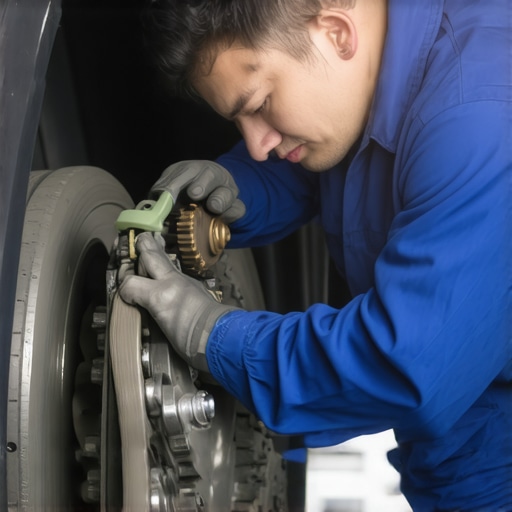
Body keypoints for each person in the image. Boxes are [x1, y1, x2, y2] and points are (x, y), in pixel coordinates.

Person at [120, 0, 512, 509]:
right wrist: (240, 188)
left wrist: (214, 337)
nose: (256, 143)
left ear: (336, 33)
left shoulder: (480, 118)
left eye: (259, 104)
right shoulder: (373, 68)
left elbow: (402, 364)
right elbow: (347, 161)